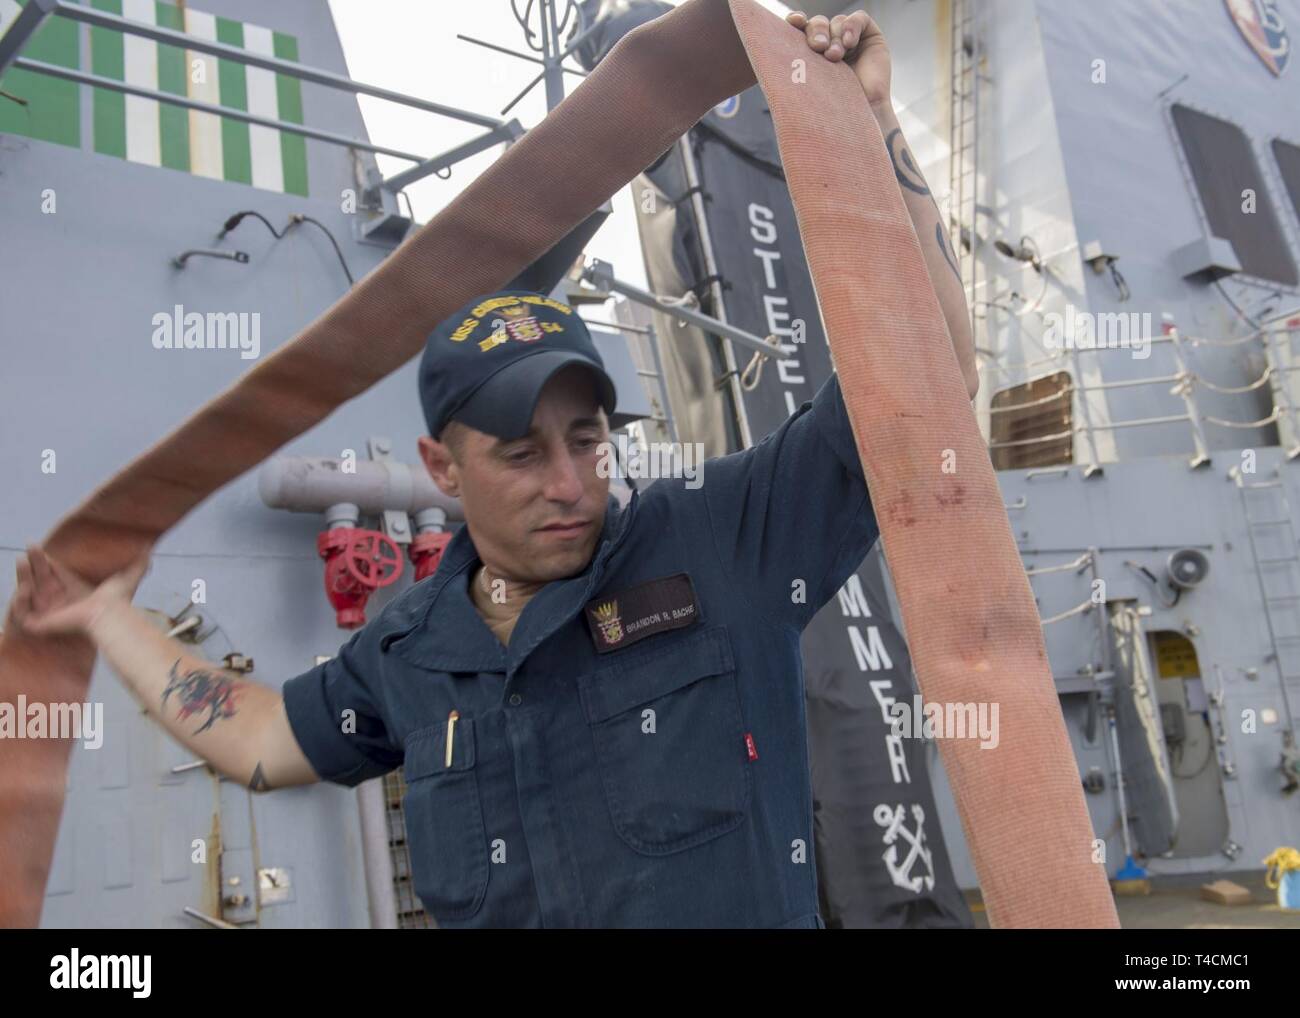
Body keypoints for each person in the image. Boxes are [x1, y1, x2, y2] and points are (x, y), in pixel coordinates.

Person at [13, 10, 977, 928]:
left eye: (587, 440)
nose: (569, 483)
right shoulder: (411, 651)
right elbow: (260, 738)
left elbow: (930, 381)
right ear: (441, 466)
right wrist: (106, 617)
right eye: (520, 453)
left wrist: (873, 126)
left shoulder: (725, 540)